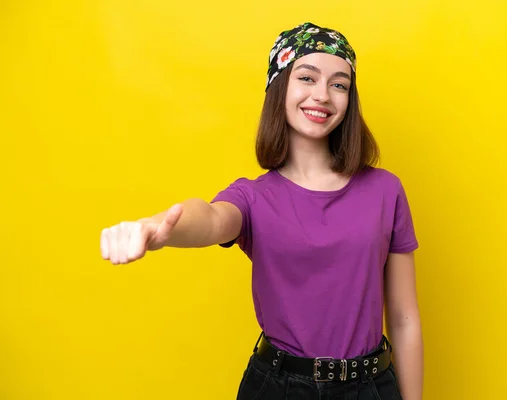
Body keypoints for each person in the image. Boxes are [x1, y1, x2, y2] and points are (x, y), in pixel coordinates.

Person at [100, 22, 423, 400]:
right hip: (278, 387)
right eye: (307, 77)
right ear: (279, 86)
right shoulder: (253, 197)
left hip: (371, 387)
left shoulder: (385, 190)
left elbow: (403, 318)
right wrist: (157, 229)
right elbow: (212, 217)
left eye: (339, 84)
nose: (322, 95)